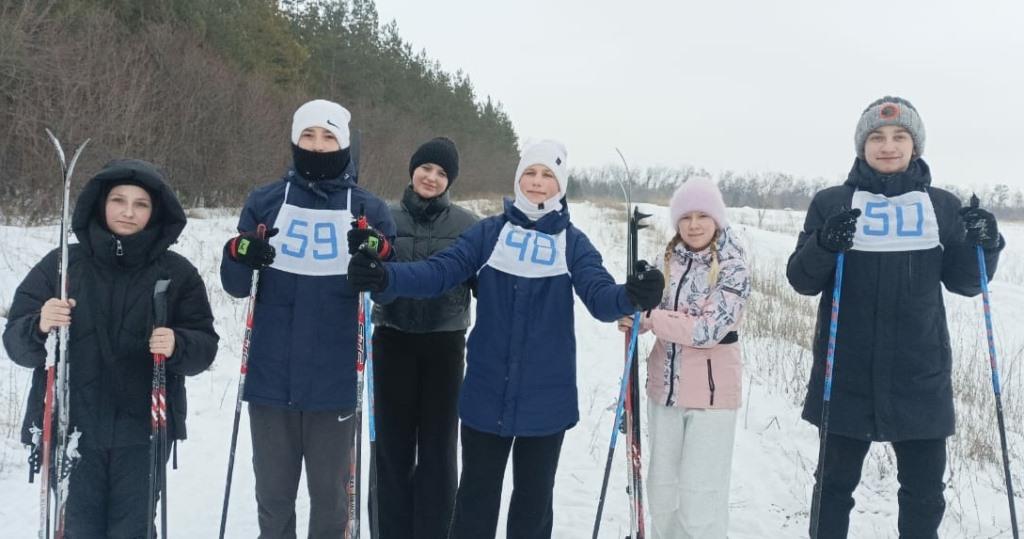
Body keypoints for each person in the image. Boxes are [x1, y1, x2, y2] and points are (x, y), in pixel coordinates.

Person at [346, 139, 665, 539]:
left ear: (560, 185)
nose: (537, 182)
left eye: (547, 175)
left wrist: (632, 295)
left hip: (547, 398)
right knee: (475, 505)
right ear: (518, 178)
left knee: (532, 508)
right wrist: (386, 277)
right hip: (486, 395)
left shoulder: (572, 242)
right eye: (530, 173)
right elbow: (439, 272)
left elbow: (601, 298)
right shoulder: (490, 233)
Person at [787, 96, 1005, 538]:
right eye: (877, 137)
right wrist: (824, 244)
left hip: (919, 375)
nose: (888, 146)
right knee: (833, 488)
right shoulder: (833, 202)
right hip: (846, 374)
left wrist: (985, 243)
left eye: (899, 137)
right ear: (861, 145)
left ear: (915, 145)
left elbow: (966, 282)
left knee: (924, 493)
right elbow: (802, 280)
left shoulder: (942, 206)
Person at [3, 158, 219, 537]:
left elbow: (204, 348)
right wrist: (40, 324)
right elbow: (17, 346)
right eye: (119, 200)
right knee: (77, 529)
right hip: (71, 428)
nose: (128, 212)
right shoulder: (62, 264)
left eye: (141, 204)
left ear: (155, 212)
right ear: (101, 204)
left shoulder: (176, 273)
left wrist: (178, 344)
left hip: (143, 433)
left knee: (132, 530)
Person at [219, 98, 396, 538]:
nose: (318, 147)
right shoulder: (266, 200)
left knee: (331, 503)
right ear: (295, 140)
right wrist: (241, 253)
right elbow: (237, 283)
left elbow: (391, 285)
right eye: (309, 136)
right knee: (273, 500)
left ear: (345, 144)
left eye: (329, 136)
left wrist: (377, 259)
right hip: (270, 379)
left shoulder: (368, 209)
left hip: (334, 381)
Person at [618, 176, 750, 538]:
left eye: (702, 216)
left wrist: (651, 319)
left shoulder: (733, 265)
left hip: (710, 399)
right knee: (662, 492)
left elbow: (707, 331)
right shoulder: (670, 260)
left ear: (717, 219)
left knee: (699, 498)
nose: (694, 224)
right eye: (686, 216)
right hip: (664, 392)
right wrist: (633, 308)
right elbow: (652, 314)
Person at [367, 137, 479, 538]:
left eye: (441, 173)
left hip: (444, 346)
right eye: (426, 168)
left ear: (450, 181)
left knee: (438, 449)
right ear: (412, 170)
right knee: (392, 448)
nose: (431, 177)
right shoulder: (384, 216)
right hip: (392, 339)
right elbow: (370, 275)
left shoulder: (468, 225)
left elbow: (485, 284)